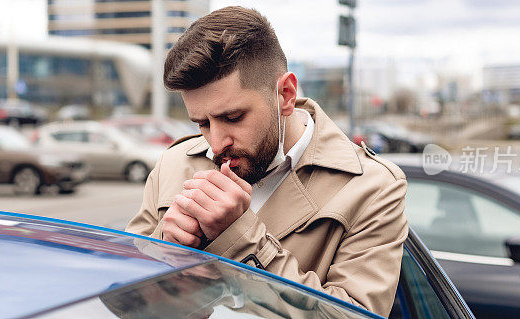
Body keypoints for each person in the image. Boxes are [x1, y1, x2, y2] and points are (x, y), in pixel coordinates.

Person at [126, 6, 408, 316]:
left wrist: (241, 238)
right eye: (202, 124)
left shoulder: (373, 187)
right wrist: (166, 246)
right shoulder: (173, 163)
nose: (217, 143)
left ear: (285, 94)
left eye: (233, 117)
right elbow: (126, 304)